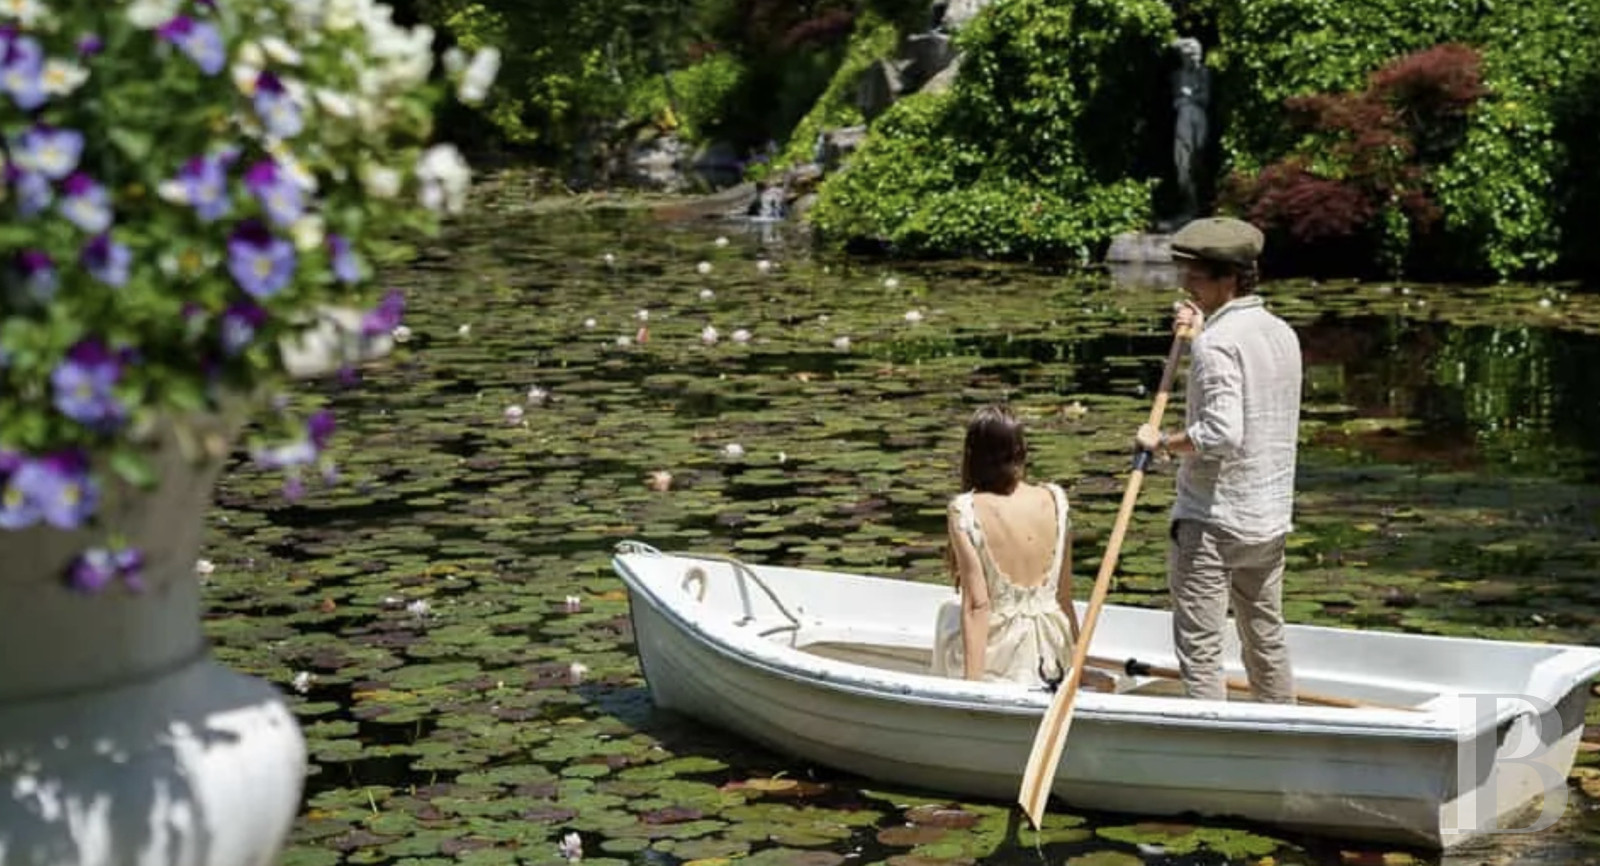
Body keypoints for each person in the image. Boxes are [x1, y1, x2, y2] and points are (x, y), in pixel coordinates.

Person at [1134, 216, 1302, 703]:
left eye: (1197, 275)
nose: (1187, 284)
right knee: (1265, 636)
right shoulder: (1279, 332)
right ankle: (1281, 730)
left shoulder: (1216, 344)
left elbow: (1222, 433)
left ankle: (1211, 739)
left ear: (1229, 278)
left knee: (1201, 647)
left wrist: (1161, 443)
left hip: (1214, 520)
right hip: (1268, 518)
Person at [931, 404, 1082, 687]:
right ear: (1021, 451)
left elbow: (978, 605)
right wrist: (1077, 665)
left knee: (947, 616)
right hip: (1052, 648)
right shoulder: (1056, 499)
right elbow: (1063, 598)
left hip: (1003, 655)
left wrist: (972, 688)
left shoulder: (964, 509)